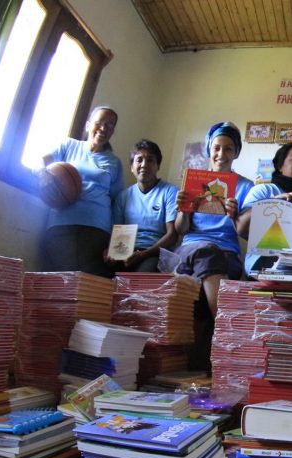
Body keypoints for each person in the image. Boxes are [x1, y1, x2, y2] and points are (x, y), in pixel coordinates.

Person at [173, 122, 254, 319]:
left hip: (227, 252)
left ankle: (218, 327)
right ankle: (225, 326)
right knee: (206, 251)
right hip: (190, 249)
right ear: (209, 150)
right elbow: (181, 230)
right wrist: (184, 211)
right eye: (216, 148)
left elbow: (246, 233)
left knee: (200, 288)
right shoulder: (193, 180)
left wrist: (235, 216)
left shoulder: (246, 186)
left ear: (236, 153)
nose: (221, 154)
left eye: (228, 149)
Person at [38, 106, 123, 277]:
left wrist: (115, 244)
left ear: (113, 131)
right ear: (88, 124)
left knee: (88, 283)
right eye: (99, 122)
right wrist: (45, 178)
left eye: (109, 125)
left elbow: (118, 204)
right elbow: (43, 163)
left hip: (97, 230)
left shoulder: (114, 162)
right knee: (58, 280)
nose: (103, 128)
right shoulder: (68, 145)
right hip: (61, 223)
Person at [240, 142, 292, 273]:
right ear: (280, 166)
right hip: (266, 258)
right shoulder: (263, 191)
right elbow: (241, 228)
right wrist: (273, 202)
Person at [108, 139, 179, 273]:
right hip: (125, 252)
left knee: (140, 278)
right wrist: (111, 252)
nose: (144, 165)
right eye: (139, 160)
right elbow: (116, 234)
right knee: (103, 277)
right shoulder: (123, 197)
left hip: (154, 253)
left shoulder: (170, 192)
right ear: (132, 167)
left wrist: (143, 254)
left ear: (158, 166)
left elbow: (172, 235)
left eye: (150, 160)